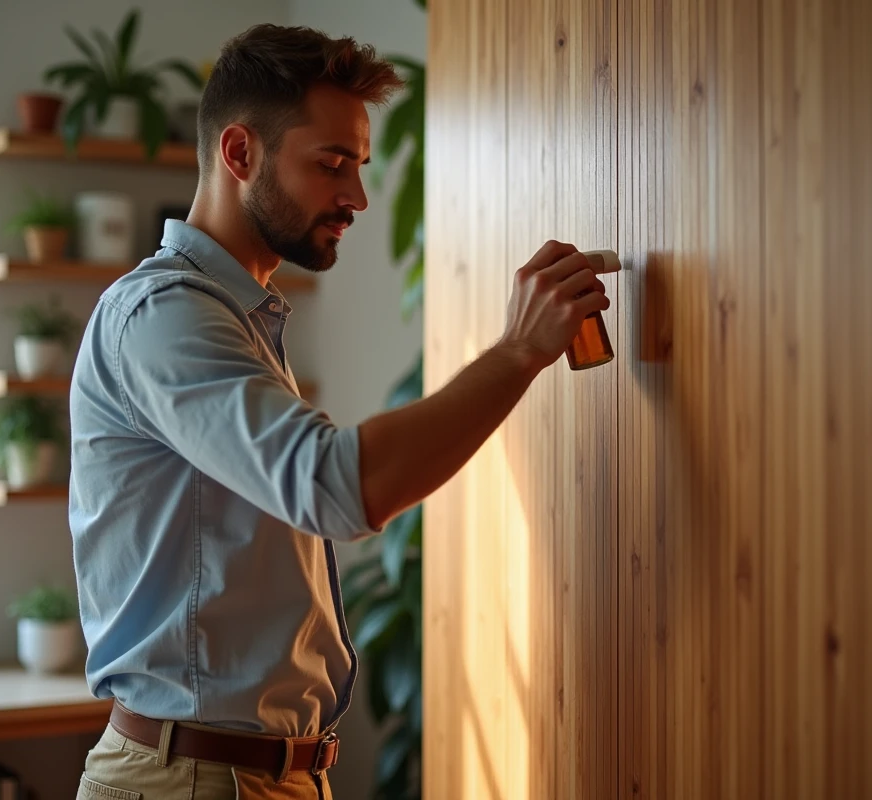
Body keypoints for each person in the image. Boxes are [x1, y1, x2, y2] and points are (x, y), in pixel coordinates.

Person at [68, 22, 610, 800]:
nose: (356, 196)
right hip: (191, 782)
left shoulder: (238, 317)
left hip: (255, 777)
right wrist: (518, 350)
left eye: (357, 164)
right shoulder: (164, 316)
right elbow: (332, 485)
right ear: (239, 154)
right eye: (331, 165)